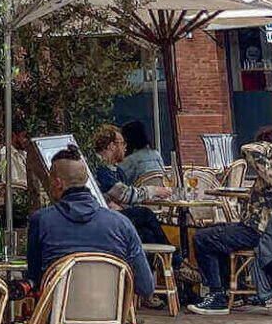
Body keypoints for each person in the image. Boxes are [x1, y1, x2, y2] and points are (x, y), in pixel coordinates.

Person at [189, 125, 272, 315]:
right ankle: (236, 289)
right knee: (219, 233)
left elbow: (248, 149)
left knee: (203, 238)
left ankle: (217, 295)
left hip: (262, 234)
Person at [26, 150, 155, 299]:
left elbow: (34, 279)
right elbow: (146, 287)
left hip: (57, 317)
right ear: (87, 179)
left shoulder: (42, 221)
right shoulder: (121, 224)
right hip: (109, 318)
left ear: (57, 183)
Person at [91, 123, 171, 252]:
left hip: (115, 213)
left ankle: (166, 262)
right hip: (105, 217)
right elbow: (124, 194)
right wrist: (153, 190)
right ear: (112, 146)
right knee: (145, 214)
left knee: (146, 232)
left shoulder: (115, 169)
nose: (125, 148)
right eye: (122, 143)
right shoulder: (101, 169)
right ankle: (174, 259)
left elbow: (120, 197)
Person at [118, 120, 166, 187]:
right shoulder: (156, 154)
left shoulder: (130, 160)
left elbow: (118, 184)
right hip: (161, 195)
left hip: (140, 195)